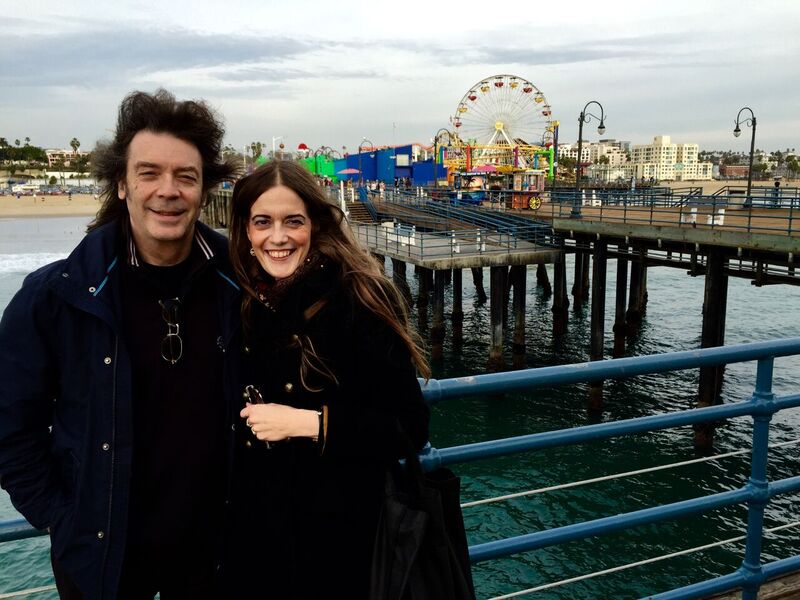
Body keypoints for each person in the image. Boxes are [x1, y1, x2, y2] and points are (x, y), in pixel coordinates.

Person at [0, 89, 240, 599]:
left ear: (204, 190)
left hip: (215, 554)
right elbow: (10, 424)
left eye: (186, 176)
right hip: (103, 557)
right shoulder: (55, 296)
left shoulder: (240, 281)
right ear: (123, 185)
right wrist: (60, 515)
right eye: (149, 173)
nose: (167, 191)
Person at [225, 160, 430, 599]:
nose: (277, 238)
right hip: (256, 540)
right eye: (263, 222)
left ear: (315, 226)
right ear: (245, 230)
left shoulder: (359, 297)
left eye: (292, 222)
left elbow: (409, 427)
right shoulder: (242, 299)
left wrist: (306, 423)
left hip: (339, 545)